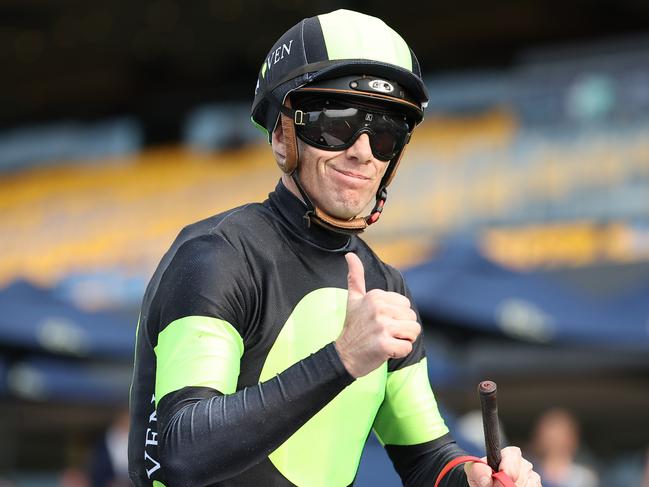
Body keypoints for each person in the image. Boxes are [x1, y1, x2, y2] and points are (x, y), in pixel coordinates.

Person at [128, 9, 543, 487]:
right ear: (283, 137)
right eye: (336, 124)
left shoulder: (387, 287)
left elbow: (426, 458)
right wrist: (341, 358)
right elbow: (182, 451)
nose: (363, 150)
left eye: (385, 132)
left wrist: (473, 476)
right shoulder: (216, 256)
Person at [528, 409, 598, 487]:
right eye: (550, 435)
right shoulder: (528, 474)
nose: (554, 440)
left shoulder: (583, 478)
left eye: (558, 435)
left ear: (571, 439)